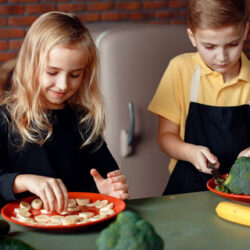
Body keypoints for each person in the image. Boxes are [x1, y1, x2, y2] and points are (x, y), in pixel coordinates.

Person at [0, 11, 129, 212]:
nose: (62, 85)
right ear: (30, 64)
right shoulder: (4, 120)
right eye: (52, 72)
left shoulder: (84, 122)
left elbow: (105, 181)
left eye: (75, 75)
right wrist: (25, 181)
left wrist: (105, 191)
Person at [148, 0, 250, 195]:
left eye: (232, 44)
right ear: (192, 37)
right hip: (187, 190)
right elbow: (165, 137)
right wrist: (190, 153)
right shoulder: (180, 69)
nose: (222, 57)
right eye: (210, 46)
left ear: (245, 31)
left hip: (242, 194)